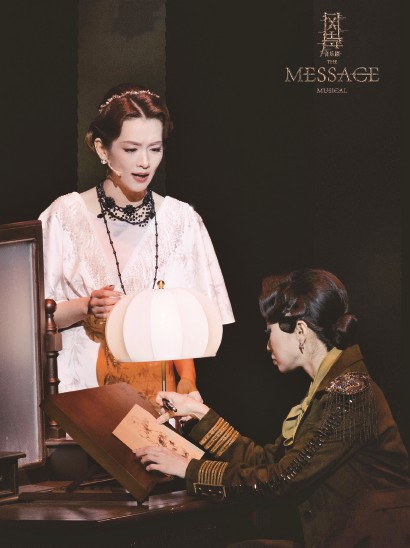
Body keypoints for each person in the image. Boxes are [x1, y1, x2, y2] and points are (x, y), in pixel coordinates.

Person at [135, 268, 410, 547]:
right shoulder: (330, 386)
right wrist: (199, 413)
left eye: (270, 332)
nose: (267, 345)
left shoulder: (349, 392)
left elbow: (280, 480)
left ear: (300, 331)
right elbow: (268, 461)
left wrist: (189, 469)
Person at [39, 82, 234, 407]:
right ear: (102, 149)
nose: (145, 162)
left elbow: (184, 321)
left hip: (155, 395)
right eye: (131, 149)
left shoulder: (181, 220)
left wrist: (188, 380)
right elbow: (33, 318)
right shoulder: (64, 216)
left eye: (155, 149)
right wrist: (86, 306)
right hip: (81, 391)